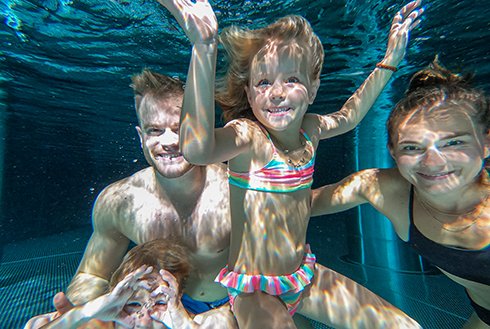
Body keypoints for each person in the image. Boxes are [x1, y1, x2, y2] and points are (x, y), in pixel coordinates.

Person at [159, 0, 424, 328]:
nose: (277, 93)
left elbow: (350, 117)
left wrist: (390, 60)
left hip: (305, 276)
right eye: (263, 82)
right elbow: (197, 150)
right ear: (249, 93)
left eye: (293, 80)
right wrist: (204, 47)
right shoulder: (248, 137)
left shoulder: (311, 129)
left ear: (313, 89)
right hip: (255, 292)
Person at [311, 57, 490, 328]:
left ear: (486, 143)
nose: (434, 162)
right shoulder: (384, 188)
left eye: (453, 142)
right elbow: (297, 203)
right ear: (393, 153)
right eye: (412, 148)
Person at [24, 239, 238, 329]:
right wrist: (84, 313)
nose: (142, 323)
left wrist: (182, 325)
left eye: (160, 304)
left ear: (179, 297)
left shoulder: (205, 323)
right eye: (132, 305)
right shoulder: (96, 323)